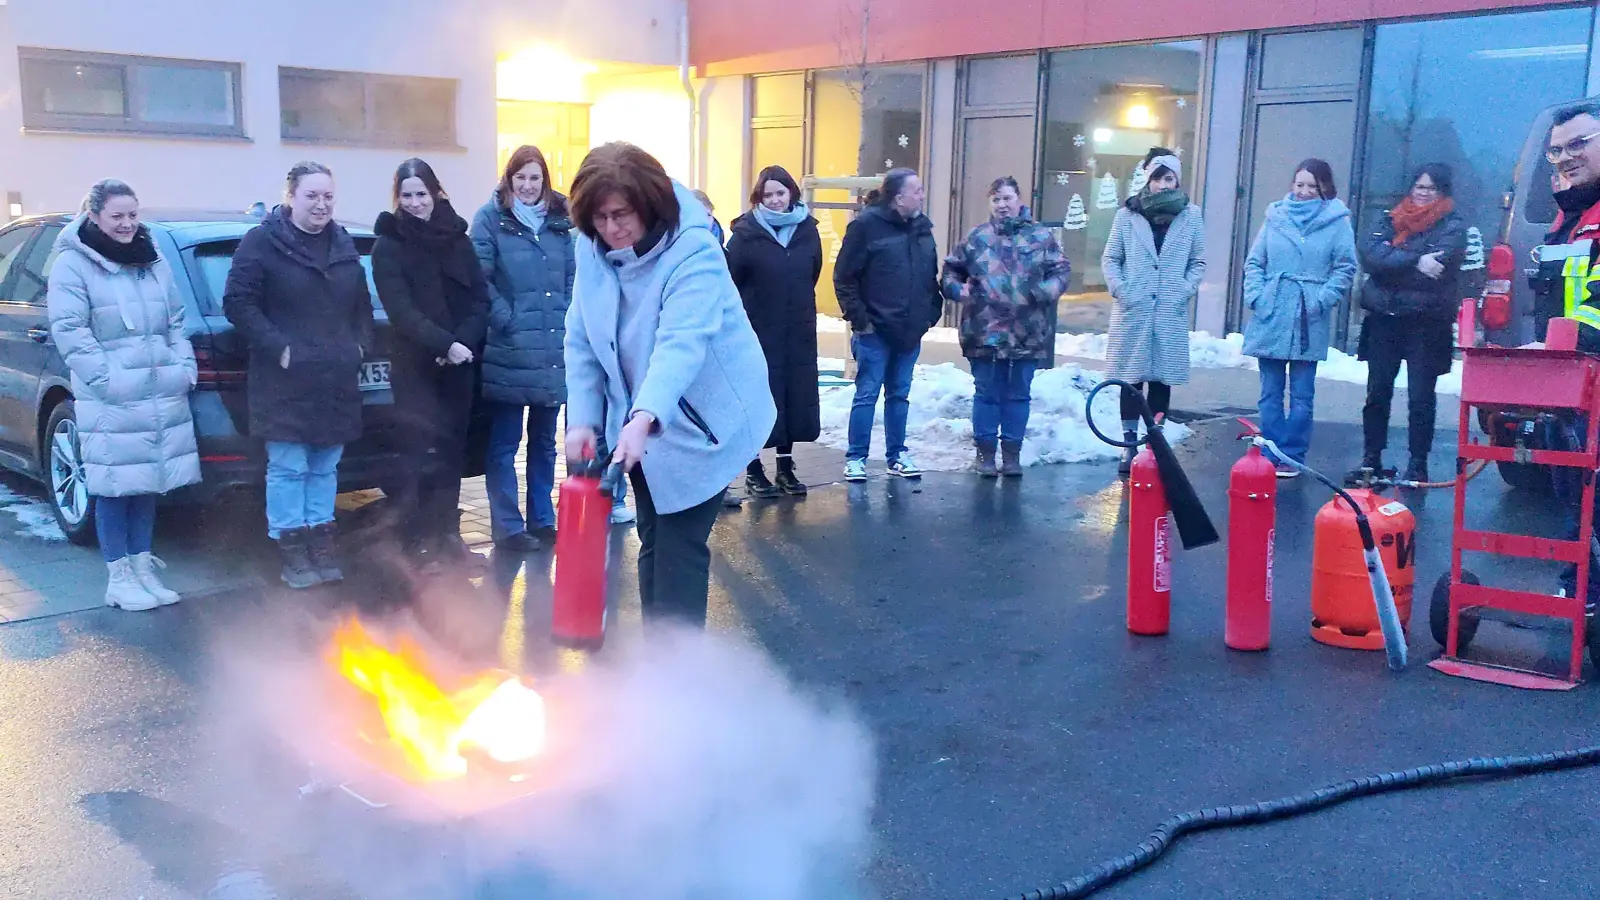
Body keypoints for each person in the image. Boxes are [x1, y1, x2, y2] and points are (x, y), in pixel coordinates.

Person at [564, 142, 775, 628]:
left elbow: (681, 344)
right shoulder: (591, 249)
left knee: (679, 544)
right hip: (636, 425)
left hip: (702, 421)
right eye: (599, 218)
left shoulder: (693, 250)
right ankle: (660, 669)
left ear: (650, 203)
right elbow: (581, 339)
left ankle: (679, 681)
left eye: (622, 214)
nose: (612, 230)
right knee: (653, 536)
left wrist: (643, 417)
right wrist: (584, 420)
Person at [46, 179, 199, 611]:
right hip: (112, 395)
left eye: (133, 214)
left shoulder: (152, 257)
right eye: (117, 216)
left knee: (148, 480)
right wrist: (108, 380)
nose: (127, 224)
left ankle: (142, 568)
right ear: (94, 216)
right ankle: (119, 577)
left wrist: (181, 366)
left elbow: (176, 318)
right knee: (114, 484)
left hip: (159, 390)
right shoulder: (72, 265)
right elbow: (70, 330)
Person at [223, 162, 373, 589]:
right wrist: (279, 347)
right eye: (312, 196)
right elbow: (238, 303)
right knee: (289, 466)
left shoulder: (342, 242)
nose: (321, 204)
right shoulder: (261, 242)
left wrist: (359, 346)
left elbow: (361, 305)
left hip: (335, 377)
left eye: (328, 196)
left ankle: (321, 546)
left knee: (326, 466)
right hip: (283, 378)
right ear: (291, 197)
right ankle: (292, 552)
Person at [372, 158, 489, 568]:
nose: (415, 202)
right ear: (398, 198)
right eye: (407, 195)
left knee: (451, 453)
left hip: (459, 366)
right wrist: (444, 343)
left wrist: (462, 343)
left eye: (421, 193)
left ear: (436, 193)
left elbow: (479, 298)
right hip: (415, 367)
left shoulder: (458, 238)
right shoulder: (388, 245)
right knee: (417, 454)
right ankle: (416, 541)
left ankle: (448, 538)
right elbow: (400, 310)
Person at [471, 146, 575, 552]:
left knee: (546, 441)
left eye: (535, 178)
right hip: (510, 348)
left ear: (544, 180)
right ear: (509, 180)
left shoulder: (561, 221)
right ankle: (509, 527)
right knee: (504, 443)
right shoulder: (490, 219)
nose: (528, 186)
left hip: (552, 347)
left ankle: (543, 519)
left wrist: (566, 315)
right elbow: (480, 280)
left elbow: (572, 274)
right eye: (521, 178)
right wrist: (507, 319)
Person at [941, 176, 1070, 477]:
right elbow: (950, 271)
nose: (1002, 205)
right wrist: (961, 292)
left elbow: (1061, 270)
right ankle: (985, 455)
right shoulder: (977, 238)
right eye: (996, 199)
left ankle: (1011, 455)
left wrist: (1046, 291)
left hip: (1029, 330)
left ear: (1019, 200)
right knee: (986, 392)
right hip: (984, 330)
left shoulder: (1040, 237)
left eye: (1007, 198)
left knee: (1018, 394)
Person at [1241, 159, 1358, 478]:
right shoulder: (1274, 217)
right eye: (1299, 184)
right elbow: (1255, 263)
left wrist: (1322, 300)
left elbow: (1346, 267)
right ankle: (1270, 450)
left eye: (1312, 186)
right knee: (1269, 392)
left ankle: (1292, 454)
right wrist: (1257, 296)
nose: (1304, 191)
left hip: (1309, 315)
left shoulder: (1337, 221)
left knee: (1303, 393)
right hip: (1273, 311)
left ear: (1324, 188)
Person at [1528, 103, 1600, 606]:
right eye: (1556, 149)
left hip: (1587, 379)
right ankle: (1583, 588)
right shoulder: (1569, 217)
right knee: (1573, 495)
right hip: (1572, 390)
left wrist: (1566, 342)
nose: (1564, 157)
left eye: (1578, 144)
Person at [1354, 162, 1466, 484]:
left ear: (1441, 190)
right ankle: (1370, 458)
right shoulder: (1389, 218)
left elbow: (1440, 268)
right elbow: (1370, 255)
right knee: (1377, 392)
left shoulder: (1453, 224)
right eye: (1418, 186)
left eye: (1430, 188)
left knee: (1420, 397)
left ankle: (1418, 462)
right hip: (1384, 321)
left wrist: (1391, 263)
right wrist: (1416, 259)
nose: (1423, 193)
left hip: (1426, 325)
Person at [1102, 147, 1206, 477]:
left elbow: (1198, 261)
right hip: (1133, 309)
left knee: (1161, 381)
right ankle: (1129, 445)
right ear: (1148, 179)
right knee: (1131, 382)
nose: (1163, 184)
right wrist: (1123, 290)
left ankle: (1154, 447)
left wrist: (1183, 290)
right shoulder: (1127, 215)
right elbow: (1111, 259)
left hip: (1168, 310)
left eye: (1169, 177)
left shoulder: (1191, 215)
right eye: (1158, 177)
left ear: (1178, 180)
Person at [834, 168, 941, 482]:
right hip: (875, 330)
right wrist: (861, 320)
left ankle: (897, 455)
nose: (922, 195)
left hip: (910, 330)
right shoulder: (866, 227)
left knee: (899, 395)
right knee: (867, 393)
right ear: (898, 198)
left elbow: (928, 275)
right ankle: (856, 457)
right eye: (917, 190)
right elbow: (844, 277)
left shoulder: (922, 229)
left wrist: (931, 311)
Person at [726, 165, 823, 498]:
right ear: (759, 197)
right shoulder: (746, 232)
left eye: (780, 193)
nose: (775, 200)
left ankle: (785, 467)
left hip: (797, 328)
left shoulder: (807, 229)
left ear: (791, 193)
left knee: (792, 396)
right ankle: (753, 470)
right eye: (768, 194)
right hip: (758, 329)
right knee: (757, 398)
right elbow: (732, 279)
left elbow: (813, 270)